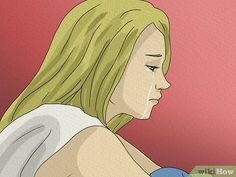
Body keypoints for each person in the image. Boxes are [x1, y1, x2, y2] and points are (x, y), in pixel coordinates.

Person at [0, 0, 188, 176]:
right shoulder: (88, 140)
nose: (164, 83)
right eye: (152, 67)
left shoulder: (68, 126)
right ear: (108, 63)